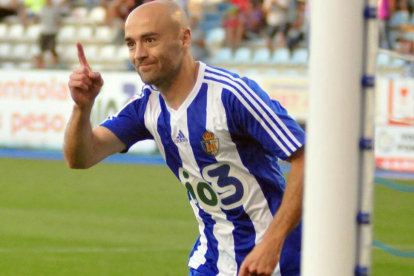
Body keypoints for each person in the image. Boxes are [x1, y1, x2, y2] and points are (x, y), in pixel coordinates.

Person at [65, 1, 305, 276]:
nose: (139, 54)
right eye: (131, 44)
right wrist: (82, 108)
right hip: (211, 262)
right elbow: (80, 158)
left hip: (274, 262)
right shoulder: (145, 106)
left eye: (150, 40)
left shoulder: (232, 95)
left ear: (184, 38)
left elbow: (307, 157)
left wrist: (272, 243)